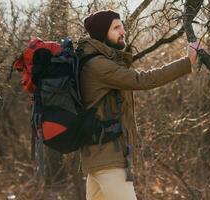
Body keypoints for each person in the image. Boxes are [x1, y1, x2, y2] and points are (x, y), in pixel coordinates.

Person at [77, 10, 200, 200]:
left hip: (100, 159)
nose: (123, 31)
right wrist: (186, 62)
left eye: (122, 26)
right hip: (108, 161)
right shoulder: (98, 66)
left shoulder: (97, 62)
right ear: (103, 33)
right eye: (116, 28)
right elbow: (142, 80)